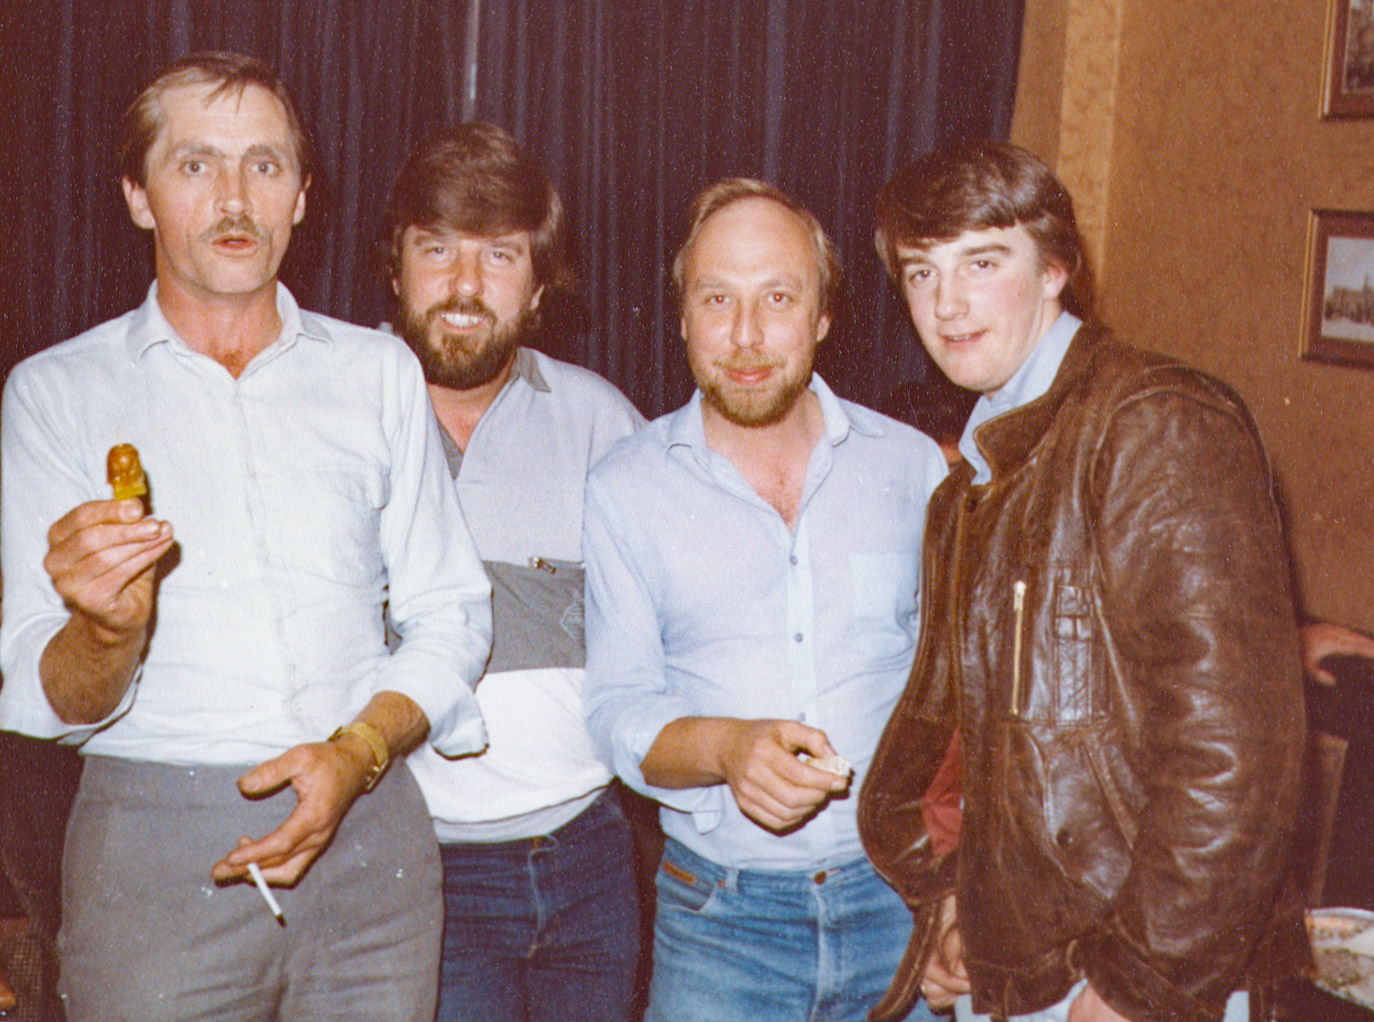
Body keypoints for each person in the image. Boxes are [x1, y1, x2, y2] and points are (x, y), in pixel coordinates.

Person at [0, 52, 492, 1021]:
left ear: (302, 197)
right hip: (154, 850)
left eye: (264, 165)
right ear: (137, 196)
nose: (235, 198)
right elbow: (45, 696)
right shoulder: (55, 394)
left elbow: (452, 613)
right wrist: (107, 631)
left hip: (371, 835)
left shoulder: (379, 373)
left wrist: (357, 752)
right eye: (196, 164)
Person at [858, 141, 1310, 1022]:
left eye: (983, 263)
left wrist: (1140, 982)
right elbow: (981, 747)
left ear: (1055, 269)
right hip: (1036, 962)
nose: (946, 304)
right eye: (921, 272)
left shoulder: (1152, 422)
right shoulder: (976, 476)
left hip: (1140, 969)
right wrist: (960, 903)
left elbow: (1235, 756)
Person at [583, 178, 948, 1022]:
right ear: (682, 317)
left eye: (778, 298)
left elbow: (960, 695)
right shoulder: (625, 489)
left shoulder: (913, 468)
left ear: (823, 317)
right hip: (722, 927)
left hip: (902, 908)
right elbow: (616, 710)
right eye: (718, 299)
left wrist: (958, 887)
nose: (746, 336)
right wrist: (727, 749)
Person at [380, 122, 645, 1022]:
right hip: (413, 862)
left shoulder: (602, 420)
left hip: (591, 858)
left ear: (538, 286)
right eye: (436, 249)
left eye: (499, 255)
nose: (464, 285)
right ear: (395, 267)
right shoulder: (334, 412)